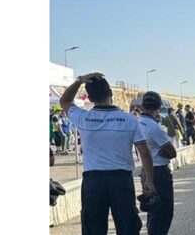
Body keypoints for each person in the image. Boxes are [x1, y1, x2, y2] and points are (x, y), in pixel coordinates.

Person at [60, 72, 155, 235]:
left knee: (93, 229)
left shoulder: (83, 118)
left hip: (93, 181)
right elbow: (145, 153)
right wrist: (150, 182)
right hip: (121, 180)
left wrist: (79, 81)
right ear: (110, 94)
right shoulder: (129, 119)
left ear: (89, 98)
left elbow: (65, 101)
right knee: (128, 228)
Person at [137, 92, 177, 235]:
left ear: (142, 106)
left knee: (152, 211)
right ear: (159, 107)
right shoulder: (154, 127)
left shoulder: (137, 123)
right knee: (163, 213)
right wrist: (161, 153)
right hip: (159, 172)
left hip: (145, 171)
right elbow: (172, 152)